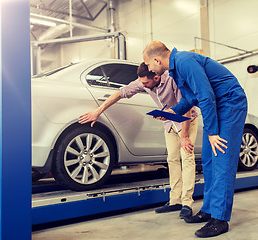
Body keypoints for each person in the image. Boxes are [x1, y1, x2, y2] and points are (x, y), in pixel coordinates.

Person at [143, 41, 248, 238]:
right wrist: (171, 112)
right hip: (215, 105)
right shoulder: (175, 70)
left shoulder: (184, 61)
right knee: (208, 161)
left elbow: (206, 95)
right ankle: (208, 210)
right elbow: (191, 99)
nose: (149, 69)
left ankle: (220, 219)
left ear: (156, 59)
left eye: (148, 65)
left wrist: (213, 133)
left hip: (230, 103)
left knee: (222, 160)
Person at [78, 62, 199, 218]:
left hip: (187, 120)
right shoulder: (144, 82)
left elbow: (187, 107)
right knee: (172, 160)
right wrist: (98, 111)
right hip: (169, 122)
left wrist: (184, 137)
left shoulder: (173, 79)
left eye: (145, 83)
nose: (143, 86)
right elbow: (120, 93)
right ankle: (175, 201)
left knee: (187, 159)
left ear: (156, 77)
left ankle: (187, 203)